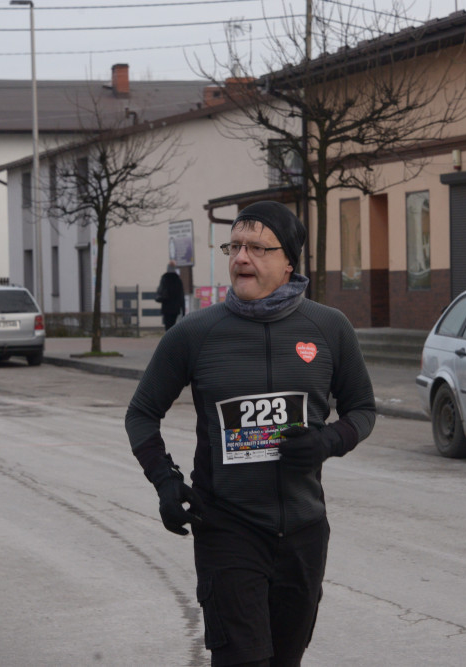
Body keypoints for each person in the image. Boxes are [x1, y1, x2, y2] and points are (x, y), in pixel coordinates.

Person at [125, 201, 376, 666]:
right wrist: (165, 481)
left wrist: (327, 442)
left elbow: (362, 409)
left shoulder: (329, 328)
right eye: (235, 246)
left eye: (257, 247)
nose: (241, 258)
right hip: (228, 528)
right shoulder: (195, 333)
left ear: (288, 263)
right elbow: (141, 413)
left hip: (303, 530)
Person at [155, 262, 186, 331]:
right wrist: (183, 310)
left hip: (166, 306)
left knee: (167, 325)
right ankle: (171, 339)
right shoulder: (178, 280)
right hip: (175, 308)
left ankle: (167, 338)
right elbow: (181, 296)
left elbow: (160, 291)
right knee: (173, 325)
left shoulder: (164, 278)